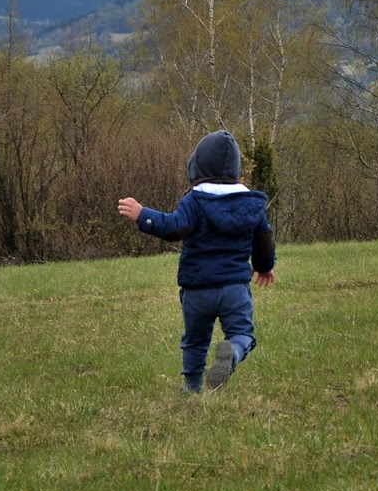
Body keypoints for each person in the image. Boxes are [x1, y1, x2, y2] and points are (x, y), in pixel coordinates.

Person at [117, 130, 276, 394]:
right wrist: (264, 266)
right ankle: (233, 354)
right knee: (242, 334)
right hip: (234, 288)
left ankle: (192, 387)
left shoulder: (195, 200)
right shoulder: (250, 205)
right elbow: (264, 239)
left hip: (197, 289)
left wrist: (143, 215)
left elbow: (173, 228)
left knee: (195, 342)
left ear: (197, 167)